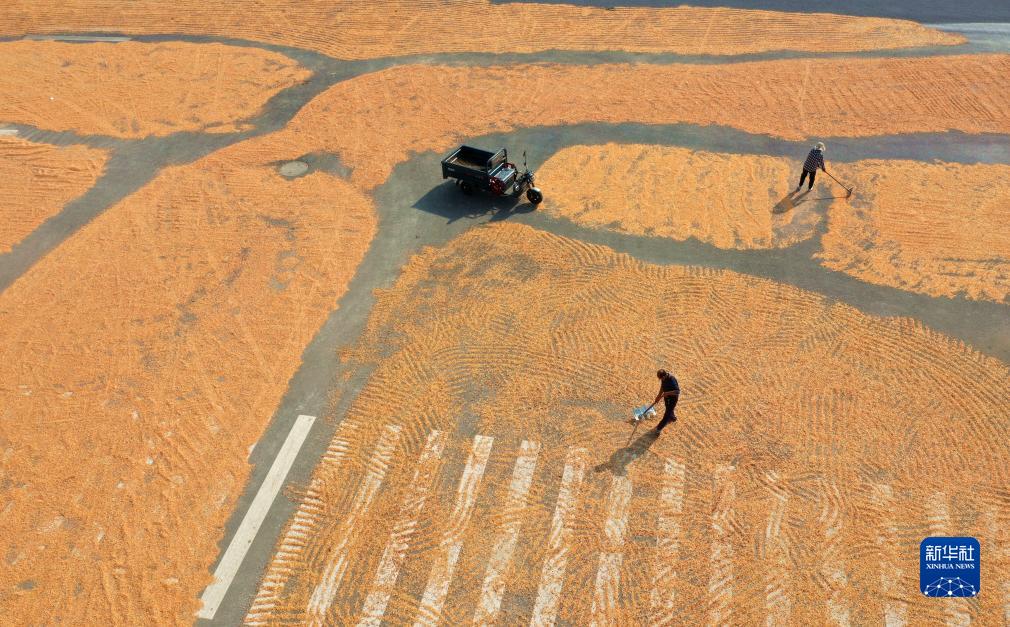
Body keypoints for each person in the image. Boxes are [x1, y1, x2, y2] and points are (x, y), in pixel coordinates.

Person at [653, 369, 680, 434]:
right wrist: (658, 396)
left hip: (673, 399)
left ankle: (659, 428)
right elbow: (662, 387)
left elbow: (677, 391)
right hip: (667, 398)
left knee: (667, 414)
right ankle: (672, 417)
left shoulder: (672, 380)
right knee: (668, 409)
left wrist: (667, 393)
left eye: (661, 378)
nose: (661, 380)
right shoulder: (664, 379)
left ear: (664, 376)